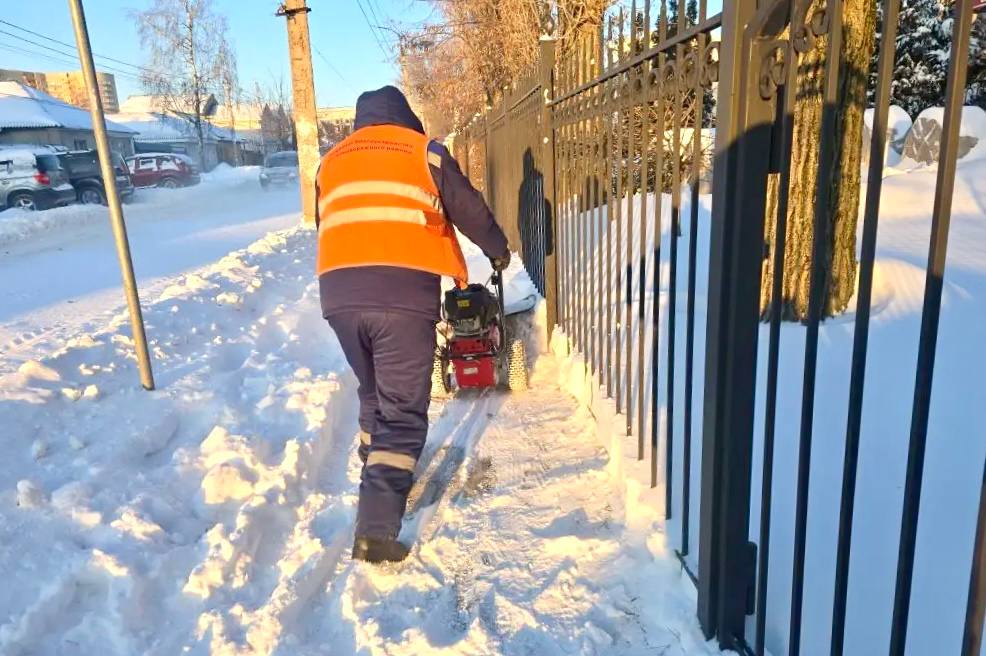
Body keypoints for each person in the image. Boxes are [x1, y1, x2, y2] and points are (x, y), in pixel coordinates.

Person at [315, 86, 510, 563]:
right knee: (402, 412)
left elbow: (329, 218)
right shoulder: (423, 151)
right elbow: (469, 209)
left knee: (373, 392)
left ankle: (374, 467)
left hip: (338, 295)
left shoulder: (331, 160)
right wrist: (498, 250)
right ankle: (377, 531)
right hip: (401, 296)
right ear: (407, 119)